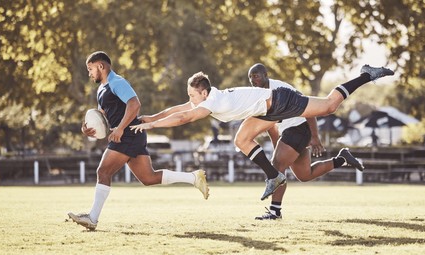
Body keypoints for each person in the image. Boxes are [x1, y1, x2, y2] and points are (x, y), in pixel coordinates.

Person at [130, 65, 393, 201]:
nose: (190, 99)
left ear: (204, 93)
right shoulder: (206, 98)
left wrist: (152, 127)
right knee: (241, 140)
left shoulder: (210, 102)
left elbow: (184, 117)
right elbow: (183, 108)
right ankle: (274, 178)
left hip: (280, 102)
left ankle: (365, 76)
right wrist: (153, 116)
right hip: (264, 112)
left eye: (192, 95)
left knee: (328, 106)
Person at [68, 51, 209, 231]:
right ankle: (194, 178)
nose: (89, 73)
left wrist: (119, 128)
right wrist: (88, 129)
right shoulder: (101, 89)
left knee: (103, 171)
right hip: (132, 134)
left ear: (101, 66)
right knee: (148, 178)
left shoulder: (117, 82)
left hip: (128, 134)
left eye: (90, 69)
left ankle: (92, 218)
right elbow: (102, 118)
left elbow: (134, 104)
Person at [248, 63, 365, 220]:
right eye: (250, 78)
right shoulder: (260, 95)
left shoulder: (279, 89)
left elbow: (309, 109)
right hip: (291, 132)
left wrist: (315, 137)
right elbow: (270, 126)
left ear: (265, 75)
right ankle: (342, 159)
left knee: (277, 166)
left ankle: (275, 212)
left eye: (255, 76)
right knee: (304, 175)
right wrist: (278, 146)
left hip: (299, 128)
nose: (252, 80)